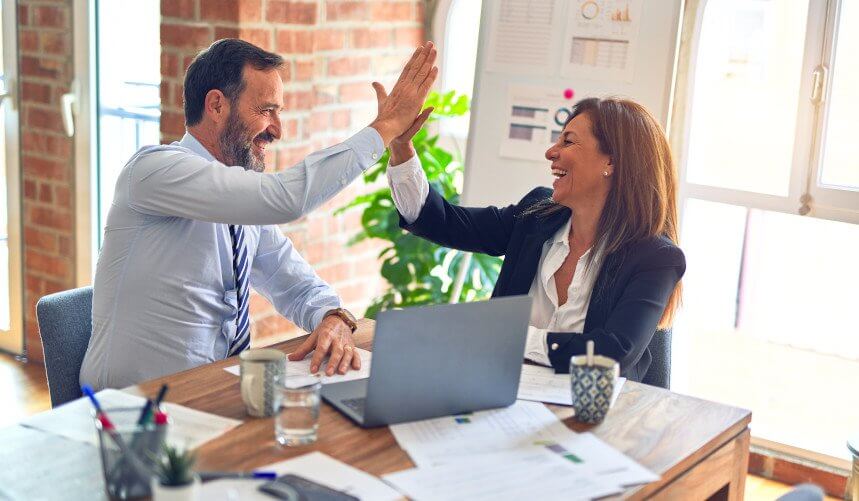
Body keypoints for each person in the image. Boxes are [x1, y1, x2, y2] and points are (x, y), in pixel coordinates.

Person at [80, 38, 437, 390]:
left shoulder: (240, 203)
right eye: (267, 110)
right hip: (131, 410)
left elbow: (294, 283)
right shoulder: (154, 171)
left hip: (213, 394)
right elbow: (286, 198)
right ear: (217, 105)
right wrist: (386, 127)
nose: (277, 130)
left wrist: (333, 316)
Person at [386, 97, 685, 382]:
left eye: (568, 141)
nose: (551, 152)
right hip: (502, 393)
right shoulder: (537, 216)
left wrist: (510, 337)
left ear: (612, 162)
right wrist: (401, 146)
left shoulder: (655, 258)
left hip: (594, 418)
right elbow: (442, 221)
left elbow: (612, 353)